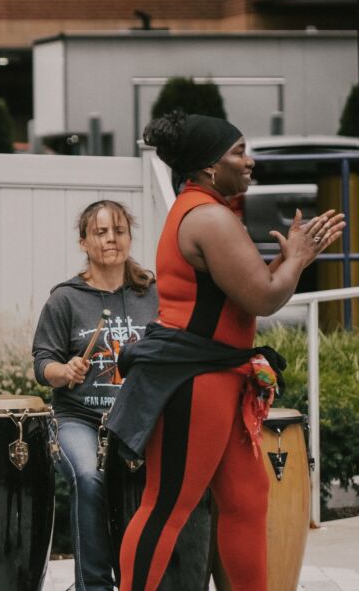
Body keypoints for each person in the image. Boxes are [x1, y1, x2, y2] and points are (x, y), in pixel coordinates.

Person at [107, 112, 344, 591]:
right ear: (210, 166)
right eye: (239, 152)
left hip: (219, 375)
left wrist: (289, 260)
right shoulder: (209, 217)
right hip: (193, 380)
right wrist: (296, 260)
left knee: (246, 499)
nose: (249, 160)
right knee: (166, 506)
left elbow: (243, 291)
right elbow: (263, 298)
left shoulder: (205, 210)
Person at [32, 200, 204, 591]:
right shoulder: (65, 299)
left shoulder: (154, 294)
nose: (111, 239)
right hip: (79, 418)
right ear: (83, 242)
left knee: (165, 481)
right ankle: (94, 586)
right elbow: (42, 363)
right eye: (101, 232)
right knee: (89, 477)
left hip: (140, 418)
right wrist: (64, 370)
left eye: (119, 231)